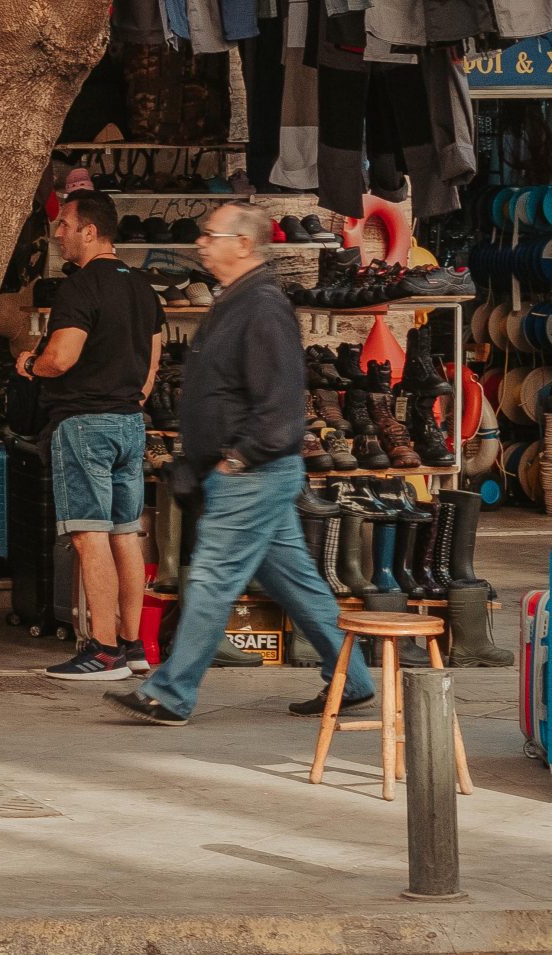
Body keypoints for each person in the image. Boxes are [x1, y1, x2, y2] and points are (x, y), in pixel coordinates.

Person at [107, 202, 375, 724]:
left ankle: (172, 692)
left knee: (209, 577)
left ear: (244, 244)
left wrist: (236, 459)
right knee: (295, 583)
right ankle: (356, 680)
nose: (200, 242)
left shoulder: (263, 306)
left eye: (211, 234)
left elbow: (280, 405)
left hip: (253, 473)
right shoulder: (236, 300)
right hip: (248, 472)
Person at [26, 190, 162, 680]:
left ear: (90, 230)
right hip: (129, 422)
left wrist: (30, 365)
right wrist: (129, 398)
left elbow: (61, 357)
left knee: (89, 535)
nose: (58, 233)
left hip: (84, 423)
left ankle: (102, 650)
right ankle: (133, 646)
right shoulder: (143, 287)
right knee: (126, 534)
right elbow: (152, 364)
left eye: (64, 224)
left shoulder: (81, 288)